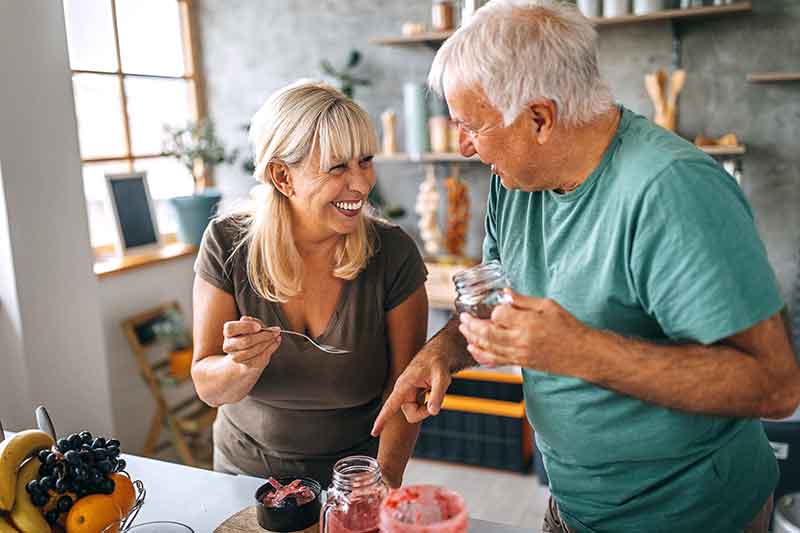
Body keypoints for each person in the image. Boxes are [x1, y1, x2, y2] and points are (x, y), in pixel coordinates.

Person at [372, 1, 800, 531]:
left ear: (539, 118)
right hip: (573, 508)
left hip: (693, 518)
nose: (464, 147)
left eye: (471, 126)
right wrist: (441, 354)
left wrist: (581, 352)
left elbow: (776, 387)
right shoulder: (515, 183)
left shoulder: (673, 191)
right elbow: (495, 307)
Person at [192, 80, 427, 488]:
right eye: (338, 167)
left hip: (354, 480)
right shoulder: (227, 243)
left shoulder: (393, 252)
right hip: (243, 475)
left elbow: (403, 390)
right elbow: (208, 386)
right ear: (283, 177)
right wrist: (242, 366)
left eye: (365, 160)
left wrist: (381, 485)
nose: (361, 183)